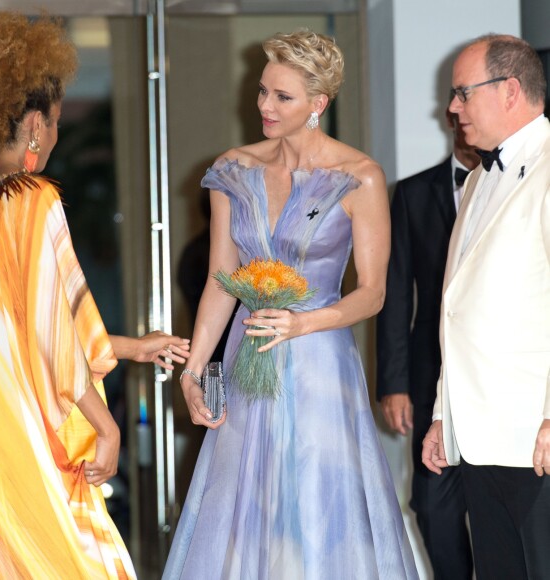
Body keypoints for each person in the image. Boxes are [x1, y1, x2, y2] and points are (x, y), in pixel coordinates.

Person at [163, 29, 418, 579]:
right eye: (262, 92)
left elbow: (372, 292)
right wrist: (193, 371)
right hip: (245, 353)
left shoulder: (360, 177)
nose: (265, 107)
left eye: (283, 97)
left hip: (319, 360)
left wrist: (305, 323)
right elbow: (220, 278)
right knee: (243, 510)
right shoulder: (234, 169)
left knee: (317, 506)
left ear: (318, 104)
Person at [0, 11, 190, 578]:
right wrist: (107, 426)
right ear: (37, 123)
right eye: (59, 121)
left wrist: (136, 347)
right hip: (24, 435)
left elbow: (20, 331)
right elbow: (53, 342)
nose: (58, 135)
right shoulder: (31, 199)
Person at [422, 34, 550, 579]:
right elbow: (459, 308)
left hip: (536, 436)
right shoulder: (476, 180)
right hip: (479, 438)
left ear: (510, 91)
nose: (452, 108)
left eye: (462, 93)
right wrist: (440, 414)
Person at [376, 110, 478, 579]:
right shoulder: (413, 193)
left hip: (495, 376)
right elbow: (395, 293)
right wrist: (393, 383)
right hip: (429, 375)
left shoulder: (524, 183)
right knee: (432, 504)